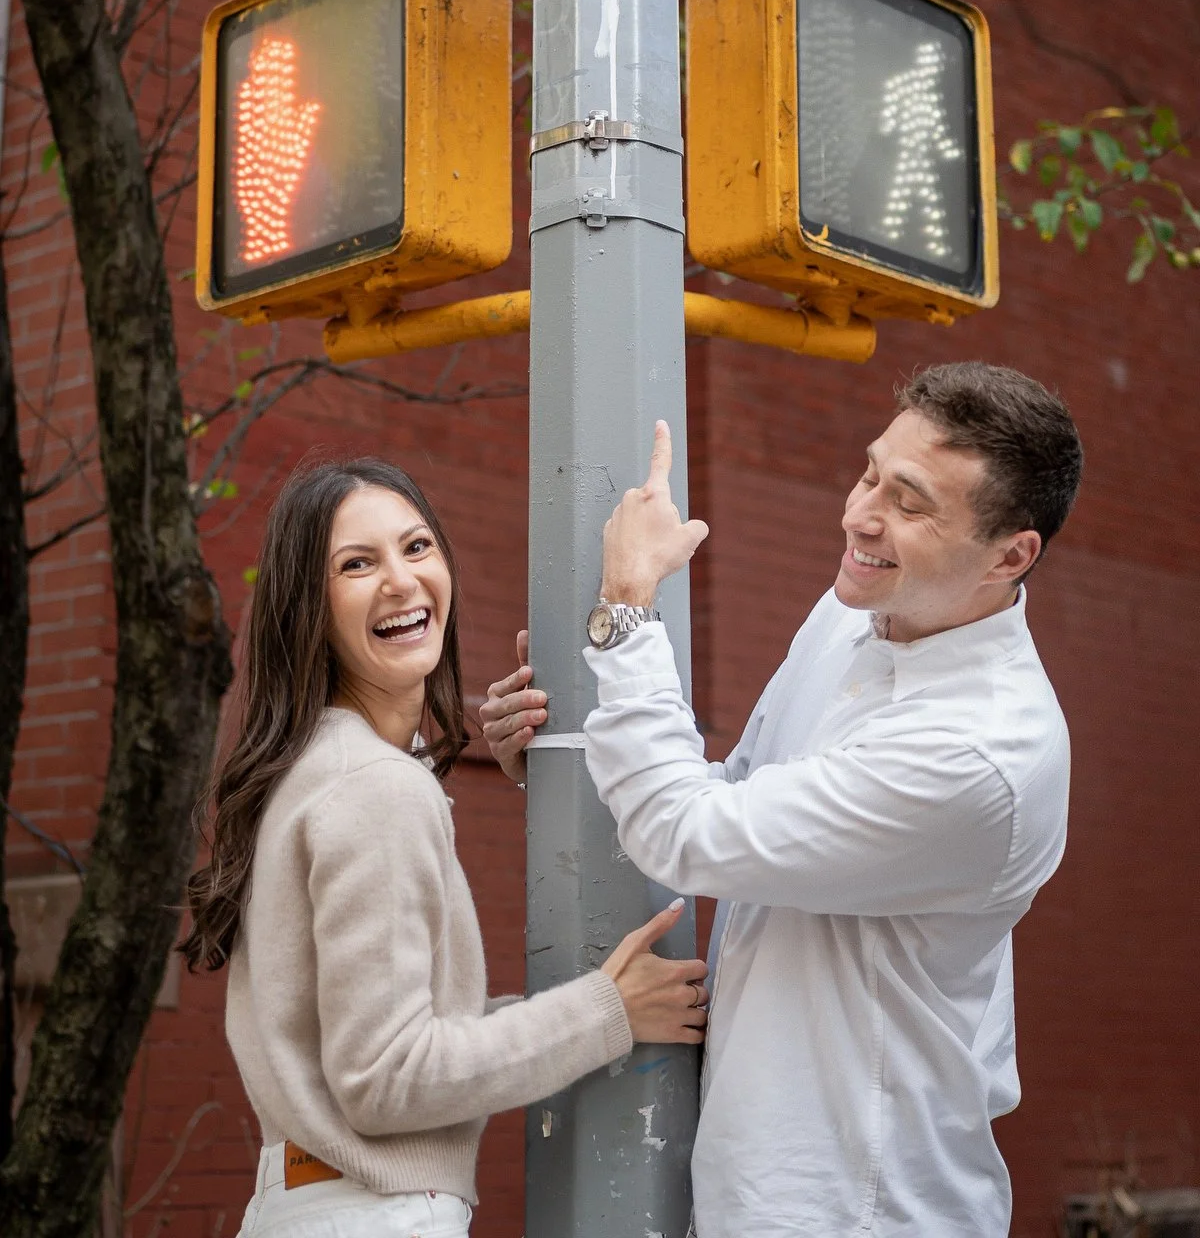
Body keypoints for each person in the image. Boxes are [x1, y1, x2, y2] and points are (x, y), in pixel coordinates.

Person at [482, 361, 1083, 1237]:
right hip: (752, 1184)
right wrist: (564, 755)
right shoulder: (856, 614)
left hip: (861, 1207)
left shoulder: (981, 752)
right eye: (870, 471)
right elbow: (735, 799)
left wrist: (627, 608)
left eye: (910, 503)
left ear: (1010, 555)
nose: (860, 514)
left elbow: (689, 833)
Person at [183, 457, 707, 1238]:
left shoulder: (320, 769)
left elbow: (409, 1036)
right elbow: (389, 1079)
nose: (400, 580)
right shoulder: (372, 787)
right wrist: (608, 1012)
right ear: (308, 607)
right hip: (370, 1214)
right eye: (357, 564)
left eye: (416, 547)